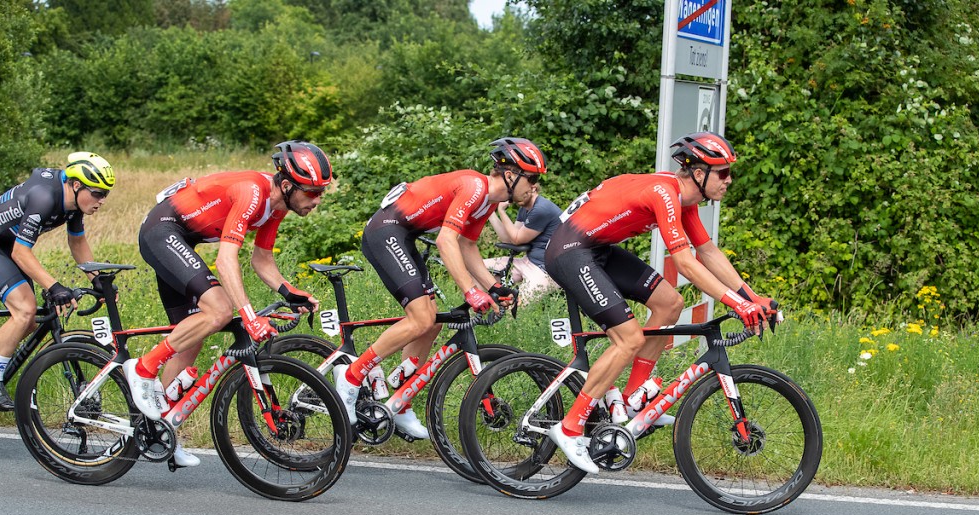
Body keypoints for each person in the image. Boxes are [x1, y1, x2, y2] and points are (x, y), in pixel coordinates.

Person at [543, 131, 778, 474]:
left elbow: (707, 252)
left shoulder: (686, 200)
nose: (729, 181)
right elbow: (684, 263)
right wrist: (735, 304)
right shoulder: (664, 193)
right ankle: (570, 427)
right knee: (630, 339)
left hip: (596, 250)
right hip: (570, 252)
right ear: (699, 172)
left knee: (670, 302)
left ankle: (634, 396)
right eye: (723, 172)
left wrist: (751, 297)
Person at [124, 140, 331, 467]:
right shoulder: (252, 193)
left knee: (190, 341)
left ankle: (159, 429)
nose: (317, 200)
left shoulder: (277, 207)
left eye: (322, 192)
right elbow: (225, 259)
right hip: (163, 231)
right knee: (220, 310)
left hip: (180, 239)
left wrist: (289, 292)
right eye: (313, 192)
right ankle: (142, 368)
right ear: (288, 185)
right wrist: (248, 315)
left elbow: (261, 259)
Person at [333, 137, 548, 438]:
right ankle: (352, 376)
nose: (534, 187)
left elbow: (467, 246)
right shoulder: (475, 187)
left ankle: (401, 400)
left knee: (430, 322)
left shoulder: (490, 200)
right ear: (510, 174)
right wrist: (470, 291)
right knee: (421, 317)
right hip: (388, 231)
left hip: (406, 236)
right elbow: (446, 240)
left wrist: (494, 286)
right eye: (532, 178)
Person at [0, 152, 115, 410]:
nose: (102, 200)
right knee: (25, 310)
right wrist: (53, 286)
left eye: (106, 194)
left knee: (28, 321)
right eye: (97, 193)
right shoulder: (46, 197)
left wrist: (97, 279)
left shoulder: (74, 203)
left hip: (5, 243)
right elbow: (21, 252)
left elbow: (77, 242)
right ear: (77, 185)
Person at [481, 183, 562, 304]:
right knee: (478, 269)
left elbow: (516, 239)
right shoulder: (525, 208)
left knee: (516, 309)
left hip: (545, 270)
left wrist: (501, 211)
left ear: (533, 188)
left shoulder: (541, 209)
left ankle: (505, 315)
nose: (513, 195)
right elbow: (508, 239)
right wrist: (490, 212)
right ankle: (475, 315)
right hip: (527, 261)